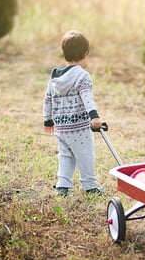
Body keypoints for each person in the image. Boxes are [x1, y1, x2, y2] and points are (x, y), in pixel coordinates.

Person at [43, 30, 104, 196]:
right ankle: (90, 186)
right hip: (78, 128)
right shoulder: (82, 76)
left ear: (64, 54)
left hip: (61, 127)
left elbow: (47, 98)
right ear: (86, 53)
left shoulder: (55, 77)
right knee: (85, 155)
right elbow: (87, 97)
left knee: (65, 155)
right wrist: (94, 117)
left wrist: (47, 120)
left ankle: (62, 185)